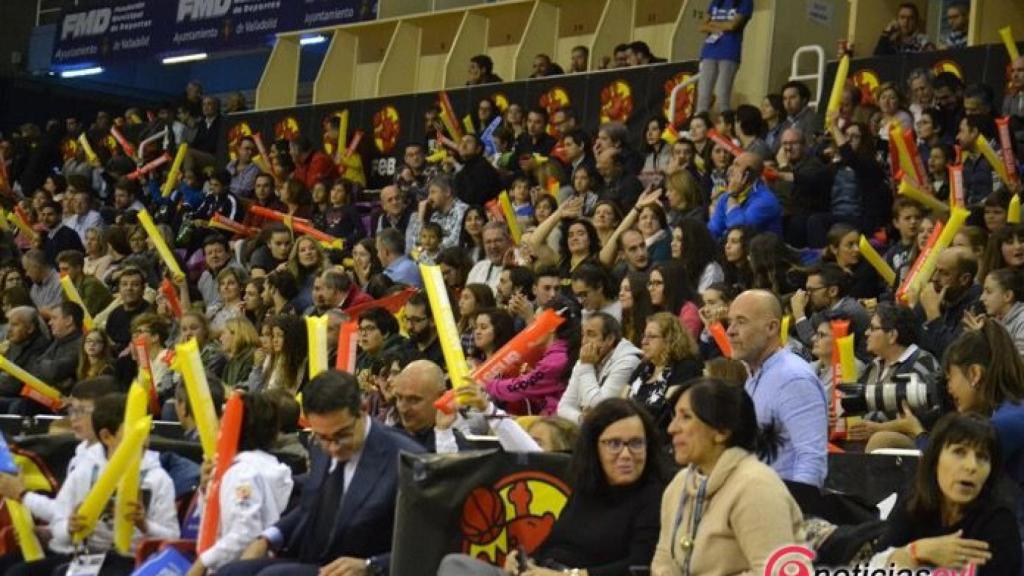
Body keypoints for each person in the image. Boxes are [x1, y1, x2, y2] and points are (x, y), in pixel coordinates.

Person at [218, 370, 424, 576]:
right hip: (313, 559)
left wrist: (371, 564)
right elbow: (312, 504)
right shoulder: (319, 445)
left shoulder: (407, 458)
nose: (333, 448)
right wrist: (268, 537)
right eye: (324, 438)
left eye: (342, 435)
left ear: (362, 410)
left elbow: (424, 547)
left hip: (360, 569)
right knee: (231, 572)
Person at [438, 398, 667, 576]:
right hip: (547, 570)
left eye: (636, 443)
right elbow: (554, 541)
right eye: (615, 444)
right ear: (595, 448)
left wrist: (573, 575)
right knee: (455, 565)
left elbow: (640, 566)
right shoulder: (586, 485)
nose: (626, 454)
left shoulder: (654, 496)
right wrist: (523, 560)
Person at [2, 393, 179, 576]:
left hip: (130, 560)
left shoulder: (157, 478)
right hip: (83, 557)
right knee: (18, 572)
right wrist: (70, 527)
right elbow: (60, 525)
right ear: (106, 436)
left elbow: (172, 538)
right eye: (134, 434)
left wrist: (144, 524)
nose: (143, 440)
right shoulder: (85, 469)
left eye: (145, 433)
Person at [652, 378, 809, 576]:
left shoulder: (756, 487)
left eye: (686, 417)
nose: (671, 428)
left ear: (721, 431)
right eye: (675, 416)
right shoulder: (680, 484)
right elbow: (664, 557)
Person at [872, 413, 1020, 576]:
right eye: (959, 452)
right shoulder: (915, 502)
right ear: (935, 460)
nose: (972, 466)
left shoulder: (999, 523)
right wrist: (918, 550)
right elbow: (875, 565)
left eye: (982, 457)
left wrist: (907, 557)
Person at [727, 290, 828, 487]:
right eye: (730, 321)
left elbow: (811, 461)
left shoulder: (793, 378)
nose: (730, 330)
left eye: (741, 321)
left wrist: (791, 513)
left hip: (781, 508)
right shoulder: (755, 375)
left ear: (772, 327)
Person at [189, 392, 295, 574]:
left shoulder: (242, 473)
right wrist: (208, 488)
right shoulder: (270, 466)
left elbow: (245, 533)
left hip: (233, 568)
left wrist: (202, 563)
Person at [559, 313, 643, 423]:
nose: (584, 342)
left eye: (591, 335)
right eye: (583, 335)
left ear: (610, 339)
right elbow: (563, 407)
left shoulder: (628, 362)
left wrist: (586, 367)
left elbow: (602, 407)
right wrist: (581, 418)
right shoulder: (585, 360)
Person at [627, 311, 703, 433]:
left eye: (651, 337)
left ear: (670, 340)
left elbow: (668, 413)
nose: (644, 342)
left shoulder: (685, 368)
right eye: (644, 336)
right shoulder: (644, 367)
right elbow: (621, 402)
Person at [913, 246, 982, 358]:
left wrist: (933, 315)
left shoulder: (977, 306)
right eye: (935, 270)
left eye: (944, 273)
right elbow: (907, 338)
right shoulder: (935, 295)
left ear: (964, 279)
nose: (935, 278)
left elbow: (952, 354)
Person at [696, 0, 753, 115]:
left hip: (729, 52)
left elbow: (732, 25)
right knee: (703, 94)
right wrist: (720, 26)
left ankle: (725, 124)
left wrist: (712, 23)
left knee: (722, 93)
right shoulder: (717, 2)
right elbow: (701, 26)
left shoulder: (745, 2)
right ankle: (700, 123)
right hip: (709, 51)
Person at [707, 152, 782, 239]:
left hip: (760, 251)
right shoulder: (725, 197)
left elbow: (739, 231)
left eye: (736, 165)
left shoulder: (766, 200)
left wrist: (732, 196)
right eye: (732, 164)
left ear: (747, 174)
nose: (730, 169)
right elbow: (713, 230)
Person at [975, 268, 1024, 355]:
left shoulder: (1022, 321)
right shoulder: (995, 321)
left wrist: (982, 338)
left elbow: (1019, 364)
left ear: (1008, 296)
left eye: (988, 292)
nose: (981, 298)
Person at [403, 292, 444, 366]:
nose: (409, 326)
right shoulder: (405, 348)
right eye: (407, 319)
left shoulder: (445, 354)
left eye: (416, 320)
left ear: (433, 321)